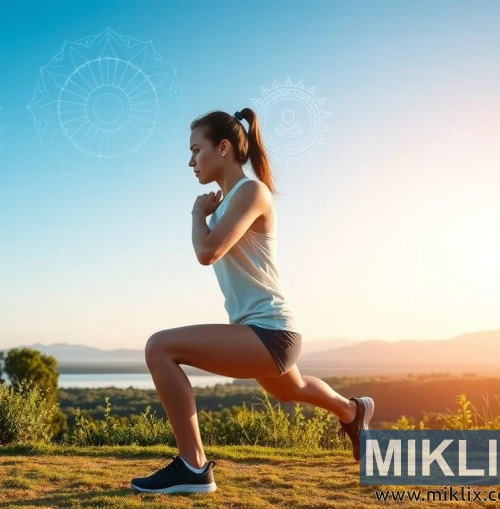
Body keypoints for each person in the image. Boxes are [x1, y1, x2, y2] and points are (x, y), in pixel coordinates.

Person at [129, 108, 375, 494]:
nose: (190, 161)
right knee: (287, 390)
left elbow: (207, 251)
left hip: (271, 331)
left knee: (159, 347)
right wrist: (207, 214)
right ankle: (352, 410)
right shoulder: (229, 201)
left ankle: (193, 468)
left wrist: (197, 215)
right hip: (258, 331)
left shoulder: (252, 192)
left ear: (223, 148)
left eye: (196, 150)